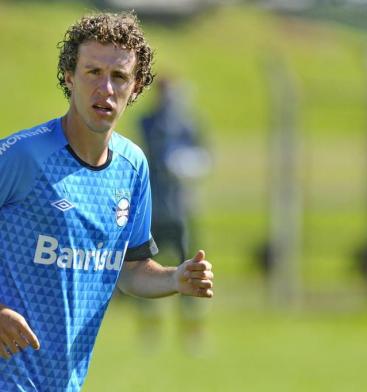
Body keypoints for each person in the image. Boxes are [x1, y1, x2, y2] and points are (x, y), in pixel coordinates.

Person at [0, 11, 213, 392]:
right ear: (69, 76)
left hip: (63, 382)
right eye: (93, 72)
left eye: (119, 77)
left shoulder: (132, 168)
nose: (106, 89)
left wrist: (175, 278)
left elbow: (130, 270)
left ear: (136, 87)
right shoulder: (23, 157)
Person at [136, 76, 211, 351]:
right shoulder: (148, 122)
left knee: (189, 268)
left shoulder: (189, 123)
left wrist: (189, 163)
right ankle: (149, 329)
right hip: (154, 209)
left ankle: (192, 331)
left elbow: (204, 156)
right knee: (145, 268)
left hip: (181, 209)